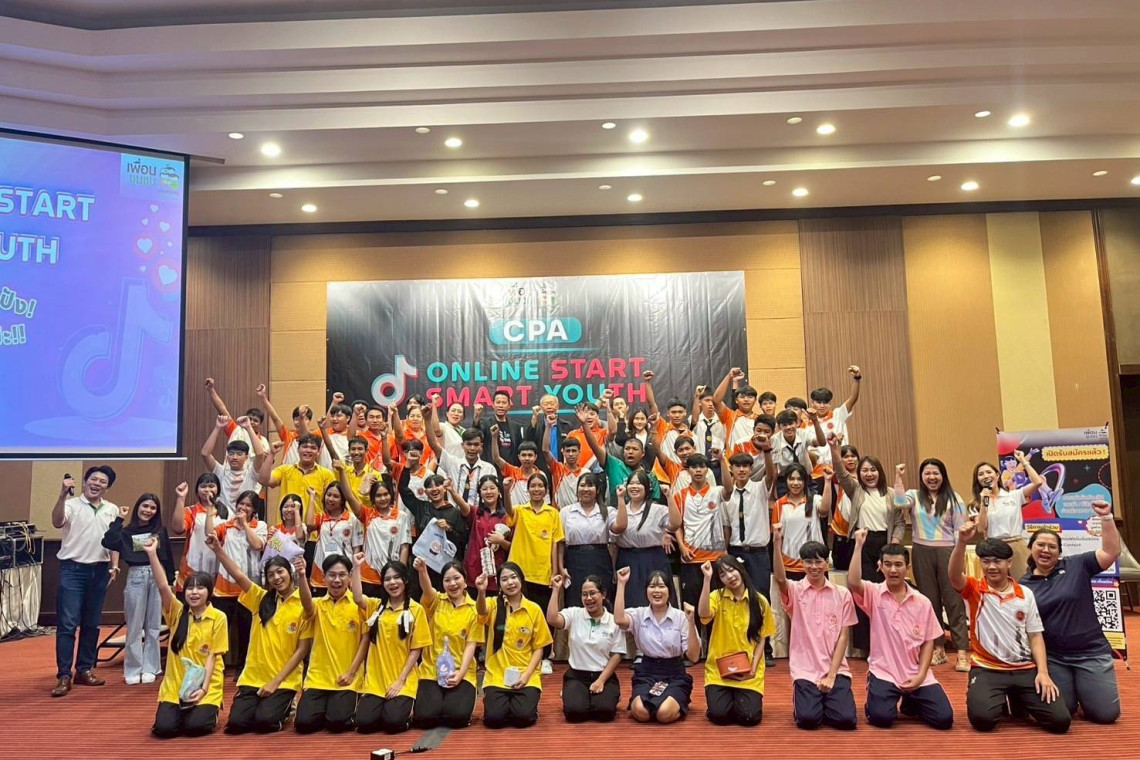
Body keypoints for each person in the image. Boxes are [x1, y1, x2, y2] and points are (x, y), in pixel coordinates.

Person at [949, 521, 1070, 733]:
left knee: (1060, 722)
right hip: (987, 668)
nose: (991, 567)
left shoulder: (1025, 594)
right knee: (983, 720)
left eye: (997, 561)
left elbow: (1035, 637)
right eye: (986, 562)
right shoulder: (975, 590)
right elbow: (953, 575)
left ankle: (1016, 696)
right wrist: (961, 542)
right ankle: (994, 695)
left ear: (1009, 563)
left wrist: (1043, 672)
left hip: (1024, 669)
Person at [1021, 499, 1121, 724]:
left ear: (1059, 552)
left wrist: (1106, 517)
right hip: (1054, 658)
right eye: (1040, 545)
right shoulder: (1023, 585)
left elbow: (1111, 551)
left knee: (1105, 715)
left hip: (1091, 652)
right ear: (1030, 548)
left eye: (1052, 546)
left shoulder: (1078, 565)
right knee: (1062, 712)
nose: (1046, 550)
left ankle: (1088, 692)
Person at [205, 535, 313, 734]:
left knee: (265, 722)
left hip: (284, 680)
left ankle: (288, 704)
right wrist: (218, 550)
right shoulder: (260, 599)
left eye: (280, 572)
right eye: (271, 575)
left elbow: (302, 650)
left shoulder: (303, 603)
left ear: (290, 572)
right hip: (253, 677)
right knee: (236, 725)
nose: (276, 578)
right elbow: (238, 575)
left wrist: (276, 681)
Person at [847, 529, 954, 730]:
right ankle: (878, 698)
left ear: (908, 568)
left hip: (916, 672)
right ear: (880, 566)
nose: (893, 570)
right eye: (888, 564)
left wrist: (921, 675)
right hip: (884, 672)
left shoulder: (922, 601)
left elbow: (928, 642)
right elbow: (853, 582)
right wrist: (859, 545)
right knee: (882, 718)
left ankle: (911, 701)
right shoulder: (874, 593)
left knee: (944, 719)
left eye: (898, 565)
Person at [773, 527, 858, 730]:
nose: (814, 567)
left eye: (819, 561)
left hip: (836, 669)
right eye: (809, 562)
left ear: (827, 563)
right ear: (801, 563)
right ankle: (812, 702)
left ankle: (827, 700)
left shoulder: (842, 594)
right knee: (808, 719)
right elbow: (780, 579)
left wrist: (832, 675)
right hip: (805, 670)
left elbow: (843, 637)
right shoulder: (795, 590)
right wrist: (776, 543)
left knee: (846, 720)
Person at [143, 538, 228, 739]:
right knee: (165, 729)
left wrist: (204, 690)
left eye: (200, 588)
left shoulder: (218, 617)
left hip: (206, 685)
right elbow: (163, 586)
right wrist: (152, 553)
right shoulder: (177, 612)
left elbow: (213, 657)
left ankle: (210, 710)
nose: (194, 592)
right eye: (190, 588)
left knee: (196, 727)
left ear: (209, 592)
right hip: (175, 686)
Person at [828, 434, 905, 653]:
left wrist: (893, 548)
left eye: (873, 470)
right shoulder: (855, 490)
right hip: (862, 545)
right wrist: (834, 448)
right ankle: (867, 646)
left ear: (880, 472)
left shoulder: (891, 494)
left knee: (887, 595)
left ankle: (889, 641)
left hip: (886, 545)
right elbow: (840, 471)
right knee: (863, 595)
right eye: (865, 470)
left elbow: (900, 522)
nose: (869, 474)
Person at [51, 467, 119, 697]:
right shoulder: (71, 504)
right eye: (93, 479)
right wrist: (62, 495)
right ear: (85, 481)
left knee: (92, 624)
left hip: (100, 571)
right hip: (73, 570)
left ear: (107, 487)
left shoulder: (111, 509)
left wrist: (114, 565)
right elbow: (57, 522)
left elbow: (113, 541)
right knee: (68, 624)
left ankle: (84, 669)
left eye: (102, 481)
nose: (96, 483)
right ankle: (64, 675)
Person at [897, 459, 970, 671]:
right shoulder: (913, 495)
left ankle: (962, 652)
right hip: (921, 551)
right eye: (927, 473)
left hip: (948, 551)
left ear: (943, 475)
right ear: (921, 477)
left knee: (954, 601)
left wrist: (959, 558)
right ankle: (938, 648)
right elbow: (899, 503)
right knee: (929, 602)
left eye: (936, 473)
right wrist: (899, 477)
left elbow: (960, 532)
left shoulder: (955, 498)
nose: (932, 477)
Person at [100, 490, 176, 685]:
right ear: (138, 507)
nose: (148, 510)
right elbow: (108, 541)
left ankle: (151, 667)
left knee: (154, 625)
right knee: (134, 625)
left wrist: (169, 581)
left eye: (153, 508)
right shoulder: (126, 532)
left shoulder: (159, 531)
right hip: (136, 575)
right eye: (145, 506)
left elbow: (167, 556)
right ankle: (133, 668)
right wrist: (119, 519)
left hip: (157, 576)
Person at [350, 558, 432, 734]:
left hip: (402, 679)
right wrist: (356, 567)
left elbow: (416, 649)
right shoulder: (375, 606)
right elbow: (357, 597)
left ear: (405, 580)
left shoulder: (416, 609)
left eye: (396, 578)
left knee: (393, 722)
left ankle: (405, 714)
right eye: (387, 579)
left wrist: (400, 681)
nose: (392, 583)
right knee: (364, 723)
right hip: (376, 681)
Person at [614, 566, 701, 723]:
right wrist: (621, 583)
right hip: (647, 671)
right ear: (646, 591)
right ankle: (660, 705)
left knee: (663, 714)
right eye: (652, 586)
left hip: (674, 672)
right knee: (641, 713)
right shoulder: (639, 614)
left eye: (661, 586)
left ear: (669, 591)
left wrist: (691, 621)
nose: (657, 591)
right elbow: (619, 619)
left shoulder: (682, 617)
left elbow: (694, 656)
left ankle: (677, 704)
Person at [698, 556, 776, 726]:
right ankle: (723, 702)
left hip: (748, 670)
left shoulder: (760, 601)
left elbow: (762, 639)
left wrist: (753, 669)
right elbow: (703, 614)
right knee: (719, 716)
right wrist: (707, 579)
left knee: (750, 717)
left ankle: (738, 701)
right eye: (723, 574)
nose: (729, 576)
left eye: (731, 570)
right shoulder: (717, 597)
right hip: (718, 671)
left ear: (740, 569)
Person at [477, 562, 553, 728]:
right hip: (497, 676)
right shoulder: (493, 604)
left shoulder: (534, 609)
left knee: (523, 718)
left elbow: (539, 648)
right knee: (494, 720)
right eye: (504, 579)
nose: (510, 582)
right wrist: (481, 591)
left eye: (513, 577)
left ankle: (525, 706)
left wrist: (526, 675)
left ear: (521, 580)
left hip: (526, 676)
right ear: (499, 584)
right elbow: (481, 611)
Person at [295, 553, 365, 734]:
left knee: (337, 723)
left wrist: (351, 673)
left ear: (350, 577)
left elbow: (365, 643)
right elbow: (306, 604)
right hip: (318, 679)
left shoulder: (359, 605)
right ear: (323, 577)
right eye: (332, 575)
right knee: (303, 724)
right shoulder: (317, 604)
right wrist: (302, 575)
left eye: (342, 575)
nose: (337, 580)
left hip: (347, 679)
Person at [411, 559, 484, 729]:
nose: (452, 584)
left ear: (465, 581)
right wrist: (422, 571)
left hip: (460, 671)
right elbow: (427, 589)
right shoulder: (436, 601)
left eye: (456, 578)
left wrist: (460, 674)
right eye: (447, 580)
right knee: (424, 718)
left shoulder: (474, 610)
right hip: (432, 671)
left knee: (456, 717)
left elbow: (471, 645)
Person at [547, 572, 626, 722]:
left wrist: (601, 681)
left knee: (604, 713)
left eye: (592, 593)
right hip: (577, 675)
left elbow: (617, 654)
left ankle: (611, 694)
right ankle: (571, 693)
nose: (588, 598)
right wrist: (556, 589)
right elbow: (552, 619)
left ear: (603, 595)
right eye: (584, 594)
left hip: (603, 675)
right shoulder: (574, 614)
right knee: (575, 713)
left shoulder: (613, 621)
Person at [504, 471, 562, 674]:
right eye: (533, 486)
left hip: (543, 573)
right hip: (520, 574)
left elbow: (555, 544)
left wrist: (555, 571)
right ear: (527, 489)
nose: (537, 489)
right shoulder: (520, 510)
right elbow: (508, 510)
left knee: (544, 617)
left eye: (540, 486)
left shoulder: (553, 513)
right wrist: (506, 490)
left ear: (546, 490)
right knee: (519, 615)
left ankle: (545, 657)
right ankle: (522, 655)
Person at [769, 462, 828, 658]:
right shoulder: (779, 504)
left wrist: (828, 482)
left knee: (817, 613)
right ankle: (798, 653)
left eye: (799, 479)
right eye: (791, 479)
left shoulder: (814, 500)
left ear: (805, 481)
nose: (795, 483)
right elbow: (777, 536)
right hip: (789, 565)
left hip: (814, 566)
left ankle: (819, 651)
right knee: (794, 613)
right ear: (786, 481)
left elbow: (825, 509)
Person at [207, 489, 267, 678]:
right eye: (241, 503)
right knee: (219, 629)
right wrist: (210, 509)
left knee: (246, 631)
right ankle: (216, 667)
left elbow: (257, 545)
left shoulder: (260, 526)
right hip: (224, 587)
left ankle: (243, 668)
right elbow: (210, 535)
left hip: (248, 587)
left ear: (254, 510)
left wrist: (246, 525)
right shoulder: (226, 526)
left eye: (248, 505)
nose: (243, 507)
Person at [609, 472, 681, 608]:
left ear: (647, 488)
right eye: (631, 483)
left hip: (653, 560)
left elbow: (675, 524)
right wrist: (613, 569)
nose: (634, 487)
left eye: (639, 483)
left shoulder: (657, 510)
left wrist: (669, 496)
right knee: (630, 605)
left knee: (657, 602)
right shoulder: (618, 511)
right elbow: (614, 544)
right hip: (627, 561)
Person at [973, 449, 1044, 577]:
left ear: (997, 475)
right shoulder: (976, 503)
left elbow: (1037, 482)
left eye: (989, 472)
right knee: (997, 584)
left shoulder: (1014, 495)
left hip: (1016, 545)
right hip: (993, 548)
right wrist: (984, 503)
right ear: (978, 479)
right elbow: (981, 528)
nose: (986, 476)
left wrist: (1023, 461)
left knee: (1022, 582)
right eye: (981, 474)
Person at [579, 408, 663, 506]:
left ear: (643, 453)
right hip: (617, 514)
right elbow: (595, 447)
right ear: (623, 452)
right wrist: (584, 424)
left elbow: (655, 503)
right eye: (627, 449)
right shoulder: (614, 466)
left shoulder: (650, 476)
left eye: (634, 449)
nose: (630, 452)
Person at [425, 405, 497, 508]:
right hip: (455, 514)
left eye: (476, 445)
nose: (472, 448)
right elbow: (433, 444)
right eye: (469, 444)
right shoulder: (453, 463)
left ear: (481, 446)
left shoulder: (489, 469)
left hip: (478, 514)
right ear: (462, 445)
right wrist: (427, 420)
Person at [305, 470, 364, 595]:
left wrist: (354, 574)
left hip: (343, 572)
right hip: (320, 572)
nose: (330, 499)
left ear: (342, 500)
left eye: (336, 496)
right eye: (328, 495)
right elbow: (309, 524)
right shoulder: (322, 517)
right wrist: (311, 497)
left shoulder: (352, 519)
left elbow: (356, 549)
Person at [558, 473, 614, 602]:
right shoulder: (566, 512)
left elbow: (619, 530)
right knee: (575, 598)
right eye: (582, 485)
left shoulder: (607, 511)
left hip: (600, 559)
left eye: (590, 485)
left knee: (600, 598)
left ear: (597, 490)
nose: (586, 489)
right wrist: (561, 567)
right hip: (574, 560)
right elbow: (560, 543)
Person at [456, 474, 511, 592]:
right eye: (484, 489)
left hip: (497, 571)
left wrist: (501, 541)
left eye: (492, 488)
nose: (489, 492)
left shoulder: (507, 517)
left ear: (499, 491)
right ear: (480, 493)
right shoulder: (475, 512)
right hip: (473, 570)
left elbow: (512, 547)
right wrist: (451, 490)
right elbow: (462, 505)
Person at [172, 472, 225, 592]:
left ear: (218, 489)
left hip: (219, 571)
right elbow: (178, 529)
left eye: (211, 486)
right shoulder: (190, 511)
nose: (207, 490)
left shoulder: (227, 513)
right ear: (197, 490)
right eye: (203, 486)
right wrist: (181, 498)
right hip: (192, 569)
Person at [201, 414, 265, 513]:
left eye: (239, 454)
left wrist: (248, 427)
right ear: (227, 456)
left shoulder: (251, 473)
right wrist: (217, 427)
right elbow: (205, 454)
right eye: (231, 454)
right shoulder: (221, 472)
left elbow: (260, 454)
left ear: (246, 457)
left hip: (245, 518)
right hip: (223, 519)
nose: (234, 457)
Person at [476, 390, 524, 467]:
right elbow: (476, 434)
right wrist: (476, 417)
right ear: (493, 404)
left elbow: (520, 449)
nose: (501, 405)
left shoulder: (515, 427)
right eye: (498, 402)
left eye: (504, 403)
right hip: (491, 468)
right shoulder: (486, 423)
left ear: (509, 405)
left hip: (511, 468)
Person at [543, 429, 589, 509]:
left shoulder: (585, 473)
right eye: (568, 451)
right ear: (563, 452)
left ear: (579, 452)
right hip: (559, 513)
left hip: (579, 513)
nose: (571, 454)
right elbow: (545, 450)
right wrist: (548, 426)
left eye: (574, 451)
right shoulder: (557, 468)